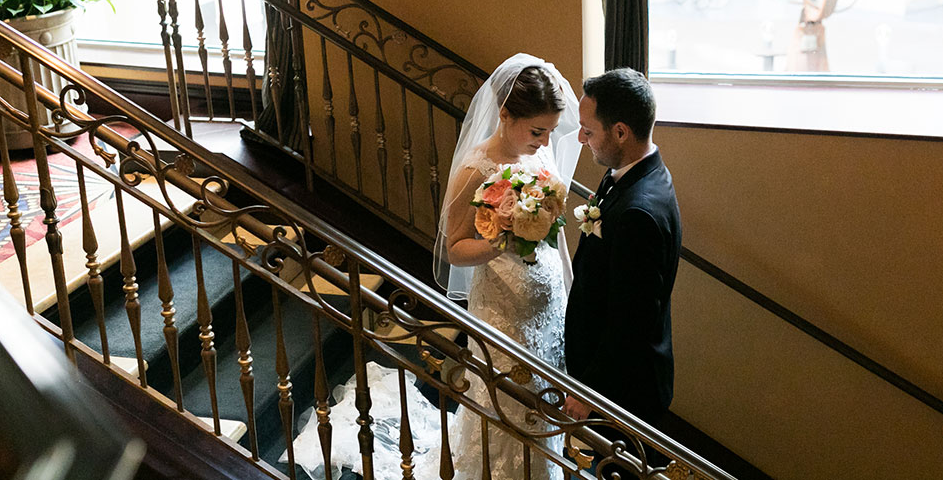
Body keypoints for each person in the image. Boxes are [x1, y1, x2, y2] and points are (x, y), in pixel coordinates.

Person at [287, 53, 582, 480]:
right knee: (510, 403)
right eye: (537, 131)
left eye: (551, 131)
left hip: (545, 311)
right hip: (503, 312)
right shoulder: (474, 170)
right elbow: (454, 247)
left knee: (542, 402)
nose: (544, 141)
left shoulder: (538, 153)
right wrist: (499, 243)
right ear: (505, 115)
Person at [562, 68, 682, 474]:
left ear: (619, 132)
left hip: (625, 391)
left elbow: (629, 324)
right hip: (619, 379)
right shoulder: (632, 174)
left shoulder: (639, 213)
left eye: (588, 130)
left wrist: (588, 390)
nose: (581, 138)